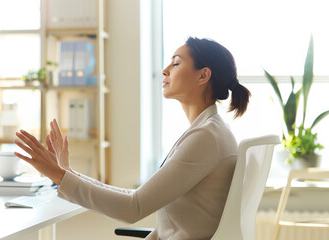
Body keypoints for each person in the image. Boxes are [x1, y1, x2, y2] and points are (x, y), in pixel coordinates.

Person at [14, 37, 251, 240]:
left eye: (176, 63)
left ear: (203, 76)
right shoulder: (209, 130)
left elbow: (133, 208)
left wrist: (59, 175)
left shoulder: (206, 137)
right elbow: (134, 199)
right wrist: (67, 172)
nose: (165, 70)